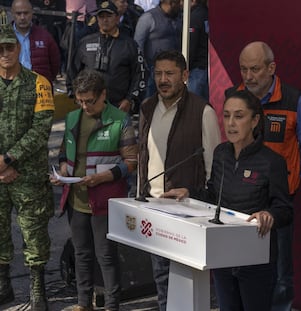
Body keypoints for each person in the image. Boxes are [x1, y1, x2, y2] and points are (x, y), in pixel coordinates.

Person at [163, 89, 293, 311]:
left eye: (239, 116)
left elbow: (285, 209)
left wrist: (269, 214)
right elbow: (214, 196)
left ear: (254, 121)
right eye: (226, 115)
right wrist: (189, 193)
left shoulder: (272, 162)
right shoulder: (221, 153)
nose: (230, 123)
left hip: (255, 258)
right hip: (223, 253)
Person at [226, 41, 301, 310]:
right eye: (243, 69)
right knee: (237, 266)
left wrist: (289, 185)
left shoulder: (296, 101)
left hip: (277, 203)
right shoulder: (234, 95)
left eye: (255, 69)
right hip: (240, 199)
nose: (248, 76)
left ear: (272, 68)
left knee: (280, 271)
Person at [138, 50, 221, 311]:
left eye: (169, 74)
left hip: (188, 212)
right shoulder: (147, 107)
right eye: (159, 73)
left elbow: (213, 168)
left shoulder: (202, 111)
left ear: (185, 76)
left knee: (189, 284)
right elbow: (144, 154)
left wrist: (201, 198)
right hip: (153, 207)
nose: (163, 79)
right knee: (161, 280)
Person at [51, 69, 139, 311]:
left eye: (90, 101)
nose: (85, 106)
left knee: (106, 255)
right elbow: (62, 152)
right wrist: (63, 170)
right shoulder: (72, 118)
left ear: (103, 95)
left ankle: (112, 306)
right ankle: (83, 303)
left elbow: (131, 162)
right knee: (82, 254)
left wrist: (103, 177)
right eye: (80, 101)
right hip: (76, 199)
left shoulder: (119, 120)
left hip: (105, 200)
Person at [0, 24, 55, 310]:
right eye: (1, 48)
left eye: (10, 47)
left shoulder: (39, 83)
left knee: (34, 231)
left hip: (28, 174)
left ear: (18, 48)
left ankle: (37, 290)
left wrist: (9, 159)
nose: (5, 52)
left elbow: (41, 128)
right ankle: (3, 285)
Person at [67, 1, 146, 114]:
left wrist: (129, 100)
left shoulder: (129, 44)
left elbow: (140, 74)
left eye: (109, 16)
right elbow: (72, 71)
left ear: (117, 18)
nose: (105, 20)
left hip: (118, 107)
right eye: (101, 16)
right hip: (89, 107)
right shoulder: (85, 42)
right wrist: (76, 96)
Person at [134, 0, 182, 99]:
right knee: (150, 102)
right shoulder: (148, 18)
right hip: (152, 71)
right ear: (170, 3)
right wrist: (143, 68)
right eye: (178, 2)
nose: (181, 5)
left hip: (173, 70)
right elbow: (137, 44)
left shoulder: (179, 18)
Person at [11, 0, 61, 84]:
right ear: (12, 14)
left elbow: (55, 64)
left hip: (40, 89)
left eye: (26, 13)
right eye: (18, 13)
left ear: (32, 13)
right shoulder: (3, 36)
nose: (22, 17)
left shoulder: (45, 36)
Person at [188, 0, 209, 100]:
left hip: (197, 69)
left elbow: (191, 45)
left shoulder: (195, 16)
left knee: (193, 105)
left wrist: (187, 66)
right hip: (207, 68)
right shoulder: (207, 14)